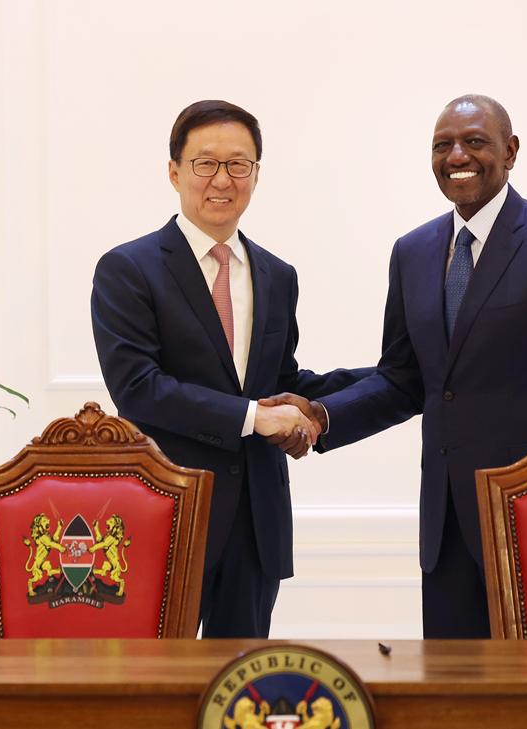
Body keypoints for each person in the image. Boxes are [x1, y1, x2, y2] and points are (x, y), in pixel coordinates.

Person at [266, 94, 527, 638]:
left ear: (510, 151)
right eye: (443, 145)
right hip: (445, 527)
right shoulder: (412, 251)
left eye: (474, 141)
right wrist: (322, 416)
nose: (457, 155)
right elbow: (406, 380)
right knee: (451, 682)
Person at [91, 100, 370, 638]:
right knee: (156, 680)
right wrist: (254, 417)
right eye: (205, 163)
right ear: (175, 172)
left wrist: (388, 378)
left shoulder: (277, 275)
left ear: (256, 174)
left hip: (256, 521)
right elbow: (138, 389)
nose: (222, 179)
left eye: (238, 164)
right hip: (168, 509)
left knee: (242, 680)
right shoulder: (128, 269)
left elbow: (280, 385)